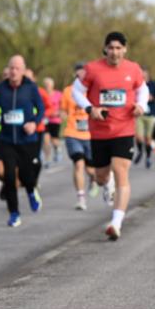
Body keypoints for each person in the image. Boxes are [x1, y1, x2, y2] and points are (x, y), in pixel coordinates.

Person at [72, 32, 148, 241]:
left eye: (118, 48)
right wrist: (90, 108)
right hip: (99, 131)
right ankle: (107, 184)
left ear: (125, 49)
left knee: (121, 169)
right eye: (111, 48)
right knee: (101, 176)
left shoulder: (133, 69)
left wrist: (142, 105)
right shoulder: (92, 69)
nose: (115, 52)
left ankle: (116, 222)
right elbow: (76, 91)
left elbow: (143, 90)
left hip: (124, 129)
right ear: (105, 49)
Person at [0, 55, 45, 227]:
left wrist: (34, 123)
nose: (13, 71)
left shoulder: (30, 87)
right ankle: (14, 213)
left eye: (17, 68)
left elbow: (41, 109)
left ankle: (31, 191)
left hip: (26, 139)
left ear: (23, 70)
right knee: (9, 177)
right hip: (6, 140)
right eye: (11, 68)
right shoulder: (0, 89)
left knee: (27, 175)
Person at [61, 62, 97, 210]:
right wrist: (64, 116)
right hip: (72, 133)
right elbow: (63, 110)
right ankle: (81, 198)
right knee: (78, 164)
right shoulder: (68, 91)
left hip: (89, 135)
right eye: (78, 73)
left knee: (90, 169)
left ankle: (94, 179)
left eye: (83, 72)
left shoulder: (92, 91)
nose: (80, 75)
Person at [132, 68, 155, 169]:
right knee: (138, 137)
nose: (143, 76)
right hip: (139, 115)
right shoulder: (136, 84)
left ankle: (148, 157)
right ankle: (140, 151)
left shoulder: (153, 85)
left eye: (144, 74)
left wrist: (152, 98)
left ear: (148, 75)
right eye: (141, 74)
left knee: (148, 138)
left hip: (150, 115)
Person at [40, 77, 62, 169]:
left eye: (49, 85)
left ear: (52, 85)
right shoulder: (42, 94)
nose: (47, 87)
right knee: (46, 141)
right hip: (45, 120)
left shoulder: (58, 94)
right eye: (45, 85)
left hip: (55, 120)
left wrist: (59, 112)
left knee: (54, 140)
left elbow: (63, 106)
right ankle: (47, 159)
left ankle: (57, 149)